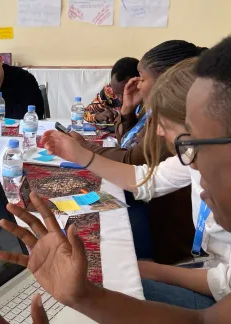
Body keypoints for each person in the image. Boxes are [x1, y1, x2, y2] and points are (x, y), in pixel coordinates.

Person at [0, 21, 231, 324]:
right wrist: (84, 296)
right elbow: (207, 320)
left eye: (190, 146)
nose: (187, 164)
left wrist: (125, 279)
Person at [69, 57, 231, 309]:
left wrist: (154, 271)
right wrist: (81, 155)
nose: (157, 132)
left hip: (230, 300)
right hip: (207, 268)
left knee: (107, 286)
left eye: (164, 125)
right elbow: (148, 179)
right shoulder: (194, 154)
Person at [83, 41, 206, 265]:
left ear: (167, 80)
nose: (136, 84)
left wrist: (84, 148)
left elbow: (134, 160)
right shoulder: (162, 119)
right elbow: (138, 162)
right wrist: (127, 112)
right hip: (190, 255)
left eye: (142, 77)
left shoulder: (175, 120)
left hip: (178, 247)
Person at [84, 57, 139, 123]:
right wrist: (97, 116)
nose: (121, 99)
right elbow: (85, 113)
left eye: (125, 93)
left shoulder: (147, 99)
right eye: (116, 93)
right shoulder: (109, 91)